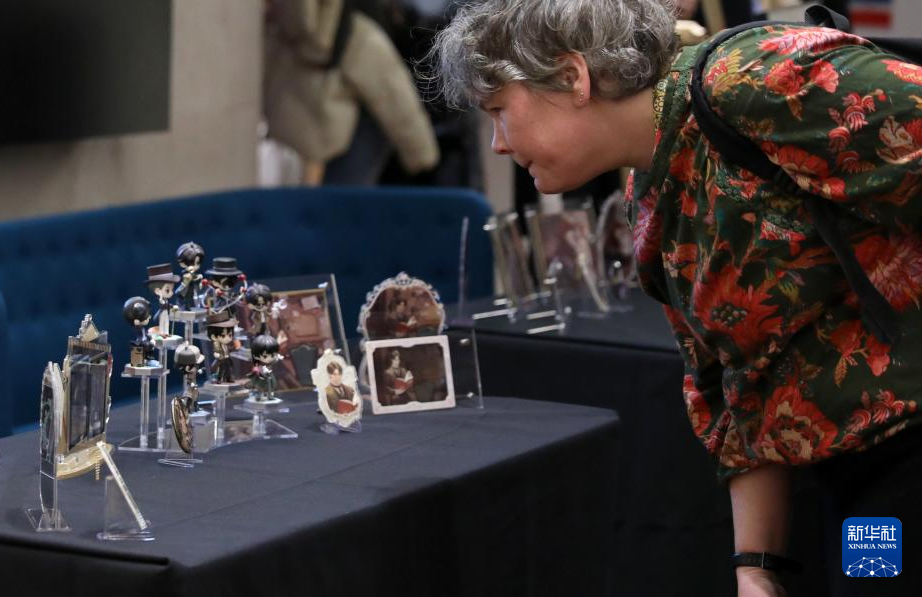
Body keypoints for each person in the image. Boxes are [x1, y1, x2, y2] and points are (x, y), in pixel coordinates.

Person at [430, 1, 922, 595]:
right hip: (858, 476)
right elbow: (736, 383)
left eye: (499, 111)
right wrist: (756, 569)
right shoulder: (653, 198)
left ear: (571, 76)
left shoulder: (758, 80)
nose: (498, 143)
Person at [263, 0, 439, 185]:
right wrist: (422, 156)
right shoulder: (359, 35)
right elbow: (394, 97)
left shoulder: (277, 25)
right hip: (329, 147)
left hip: (278, 136)